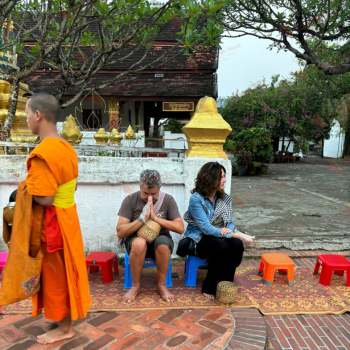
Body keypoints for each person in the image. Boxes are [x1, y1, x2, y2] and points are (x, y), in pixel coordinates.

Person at [24, 92, 91, 344]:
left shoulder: (43, 152)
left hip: (52, 223)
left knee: (56, 276)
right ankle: (61, 318)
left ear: (38, 115)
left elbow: (45, 198)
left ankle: (65, 329)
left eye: (27, 114)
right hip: (68, 217)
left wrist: (24, 191)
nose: (27, 119)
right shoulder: (66, 147)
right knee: (66, 270)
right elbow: (69, 189)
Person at [183, 162, 254, 300]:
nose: (225, 180)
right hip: (201, 237)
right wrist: (234, 234)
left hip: (222, 234)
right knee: (221, 247)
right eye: (222, 176)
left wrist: (229, 231)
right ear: (211, 178)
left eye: (224, 176)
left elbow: (231, 222)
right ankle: (209, 285)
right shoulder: (196, 199)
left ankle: (225, 283)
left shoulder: (223, 198)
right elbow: (205, 228)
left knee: (237, 245)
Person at [117, 170, 184, 303]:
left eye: (153, 194)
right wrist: (141, 219)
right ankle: (135, 285)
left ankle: (162, 285)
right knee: (139, 243)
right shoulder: (130, 200)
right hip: (135, 239)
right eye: (145, 193)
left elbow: (180, 228)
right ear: (139, 186)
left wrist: (154, 218)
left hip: (161, 237)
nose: (149, 197)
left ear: (159, 188)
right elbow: (120, 231)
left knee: (163, 245)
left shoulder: (168, 200)